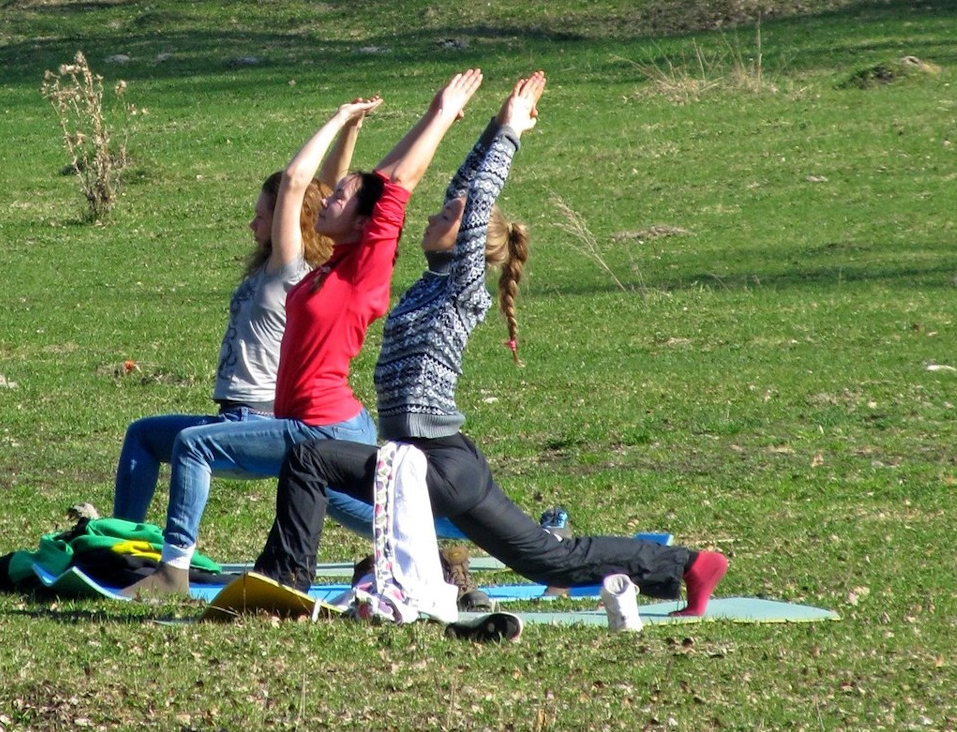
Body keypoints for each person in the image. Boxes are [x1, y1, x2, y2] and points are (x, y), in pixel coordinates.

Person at [251, 71, 730, 624]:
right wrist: (485, 130)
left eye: (448, 218)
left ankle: (284, 582)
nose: (434, 216)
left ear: (471, 240)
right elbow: (463, 188)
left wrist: (509, 133)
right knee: (550, 559)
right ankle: (690, 566)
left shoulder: (463, 285)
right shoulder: (433, 281)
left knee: (309, 457)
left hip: (432, 458)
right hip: (443, 459)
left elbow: (477, 197)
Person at [125, 70, 487, 598]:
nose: (329, 200)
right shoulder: (327, 264)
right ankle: (460, 547)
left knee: (193, 446)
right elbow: (358, 182)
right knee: (375, 514)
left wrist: (435, 115)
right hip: (319, 426)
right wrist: (357, 136)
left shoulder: (365, 268)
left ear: (366, 224)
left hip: (322, 426)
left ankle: (171, 573)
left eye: (342, 198)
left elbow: (388, 185)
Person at [111, 99, 379, 530]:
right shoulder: (299, 262)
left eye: (261, 218)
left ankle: (165, 558)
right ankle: (120, 539)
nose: (253, 226)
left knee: (186, 445)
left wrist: (339, 117)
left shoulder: (287, 267)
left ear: (284, 225)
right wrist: (352, 131)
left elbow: (297, 185)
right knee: (143, 434)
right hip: (244, 416)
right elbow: (320, 192)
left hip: (256, 418)